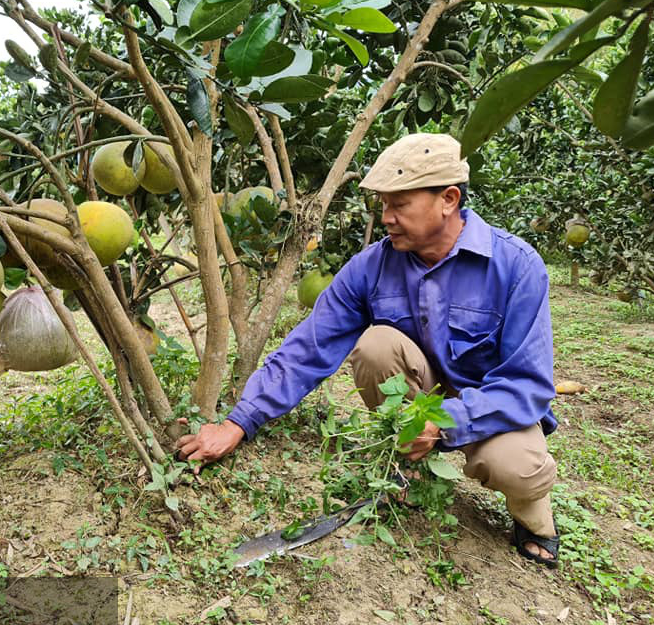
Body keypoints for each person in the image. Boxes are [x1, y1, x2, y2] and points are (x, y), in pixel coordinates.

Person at [175, 133, 561, 567]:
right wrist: (238, 423)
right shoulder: (372, 266)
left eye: (399, 205)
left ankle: (535, 520)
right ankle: (411, 468)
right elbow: (310, 346)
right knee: (376, 345)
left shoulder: (515, 267)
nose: (387, 218)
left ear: (448, 199)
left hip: (489, 405)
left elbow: (528, 386)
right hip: (421, 391)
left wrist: (444, 422)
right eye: (382, 205)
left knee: (516, 465)